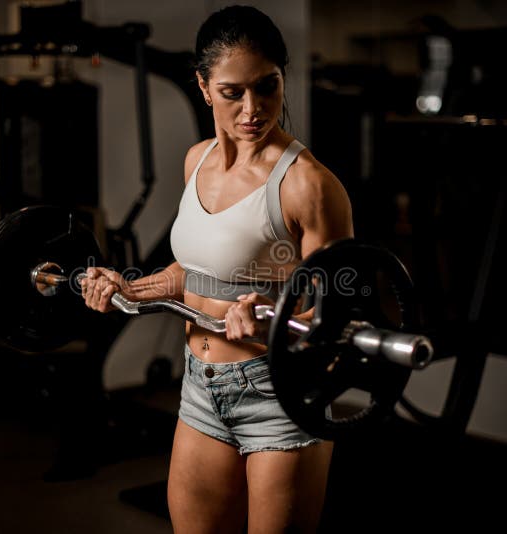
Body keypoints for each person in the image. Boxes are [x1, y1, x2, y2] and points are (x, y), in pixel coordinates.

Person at [82, 5, 353, 532]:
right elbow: (191, 270)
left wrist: (273, 314)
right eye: (233, 92)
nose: (253, 108)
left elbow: (336, 311)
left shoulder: (308, 185)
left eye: (268, 86)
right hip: (200, 387)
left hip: (280, 393)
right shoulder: (197, 160)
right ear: (204, 87)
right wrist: (129, 289)